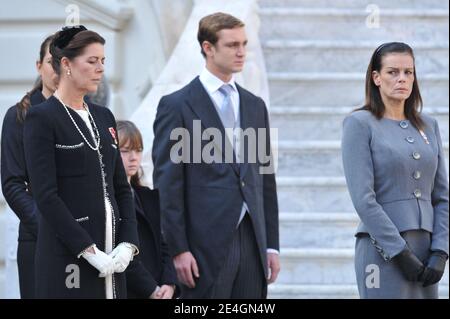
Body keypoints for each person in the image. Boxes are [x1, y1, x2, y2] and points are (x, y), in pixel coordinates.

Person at [152, 12, 280, 299]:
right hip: (201, 247)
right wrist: (178, 249)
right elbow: (168, 185)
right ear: (208, 48)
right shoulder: (177, 105)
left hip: (252, 240)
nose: (241, 52)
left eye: (244, 44)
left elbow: (264, 177)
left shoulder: (255, 105)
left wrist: (271, 245)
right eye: (232, 45)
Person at [23, 25, 139, 298]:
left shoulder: (105, 116)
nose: (100, 69)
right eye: (92, 61)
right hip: (68, 259)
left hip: (113, 257)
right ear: (66, 64)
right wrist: (88, 250)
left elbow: (122, 188)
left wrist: (128, 243)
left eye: (103, 61)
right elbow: (46, 196)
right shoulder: (42, 118)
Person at [342, 42, 449, 298]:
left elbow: (442, 196)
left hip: (426, 250)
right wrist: (399, 253)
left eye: (408, 72)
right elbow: (364, 200)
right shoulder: (359, 124)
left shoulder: (428, 125)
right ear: (376, 78)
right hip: (381, 250)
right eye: (393, 72)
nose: (402, 78)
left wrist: (441, 251)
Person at [1, 34, 57, 299]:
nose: (59, 69)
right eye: (51, 61)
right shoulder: (18, 116)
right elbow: (12, 184)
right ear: (39, 66)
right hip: (39, 240)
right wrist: (50, 228)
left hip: (90, 244)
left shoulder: (93, 114)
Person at [116, 120, 178, 299]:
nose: (134, 157)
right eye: (125, 151)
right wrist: (152, 290)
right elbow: (122, 254)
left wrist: (169, 283)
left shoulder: (148, 196)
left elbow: (164, 243)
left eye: (138, 150)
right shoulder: (107, 200)